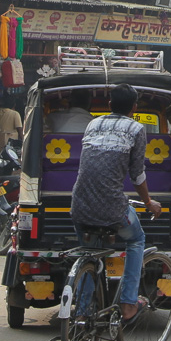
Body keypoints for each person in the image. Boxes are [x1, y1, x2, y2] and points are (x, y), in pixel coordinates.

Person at [70, 84, 160, 319]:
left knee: (89, 253)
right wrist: (149, 202)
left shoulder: (93, 124)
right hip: (111, 207)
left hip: (79, 205)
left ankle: (82, 313)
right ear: (134, 107)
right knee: (137, 239)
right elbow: (137, 175)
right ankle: (129, 302)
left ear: (109, 105)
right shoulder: (136, 128)